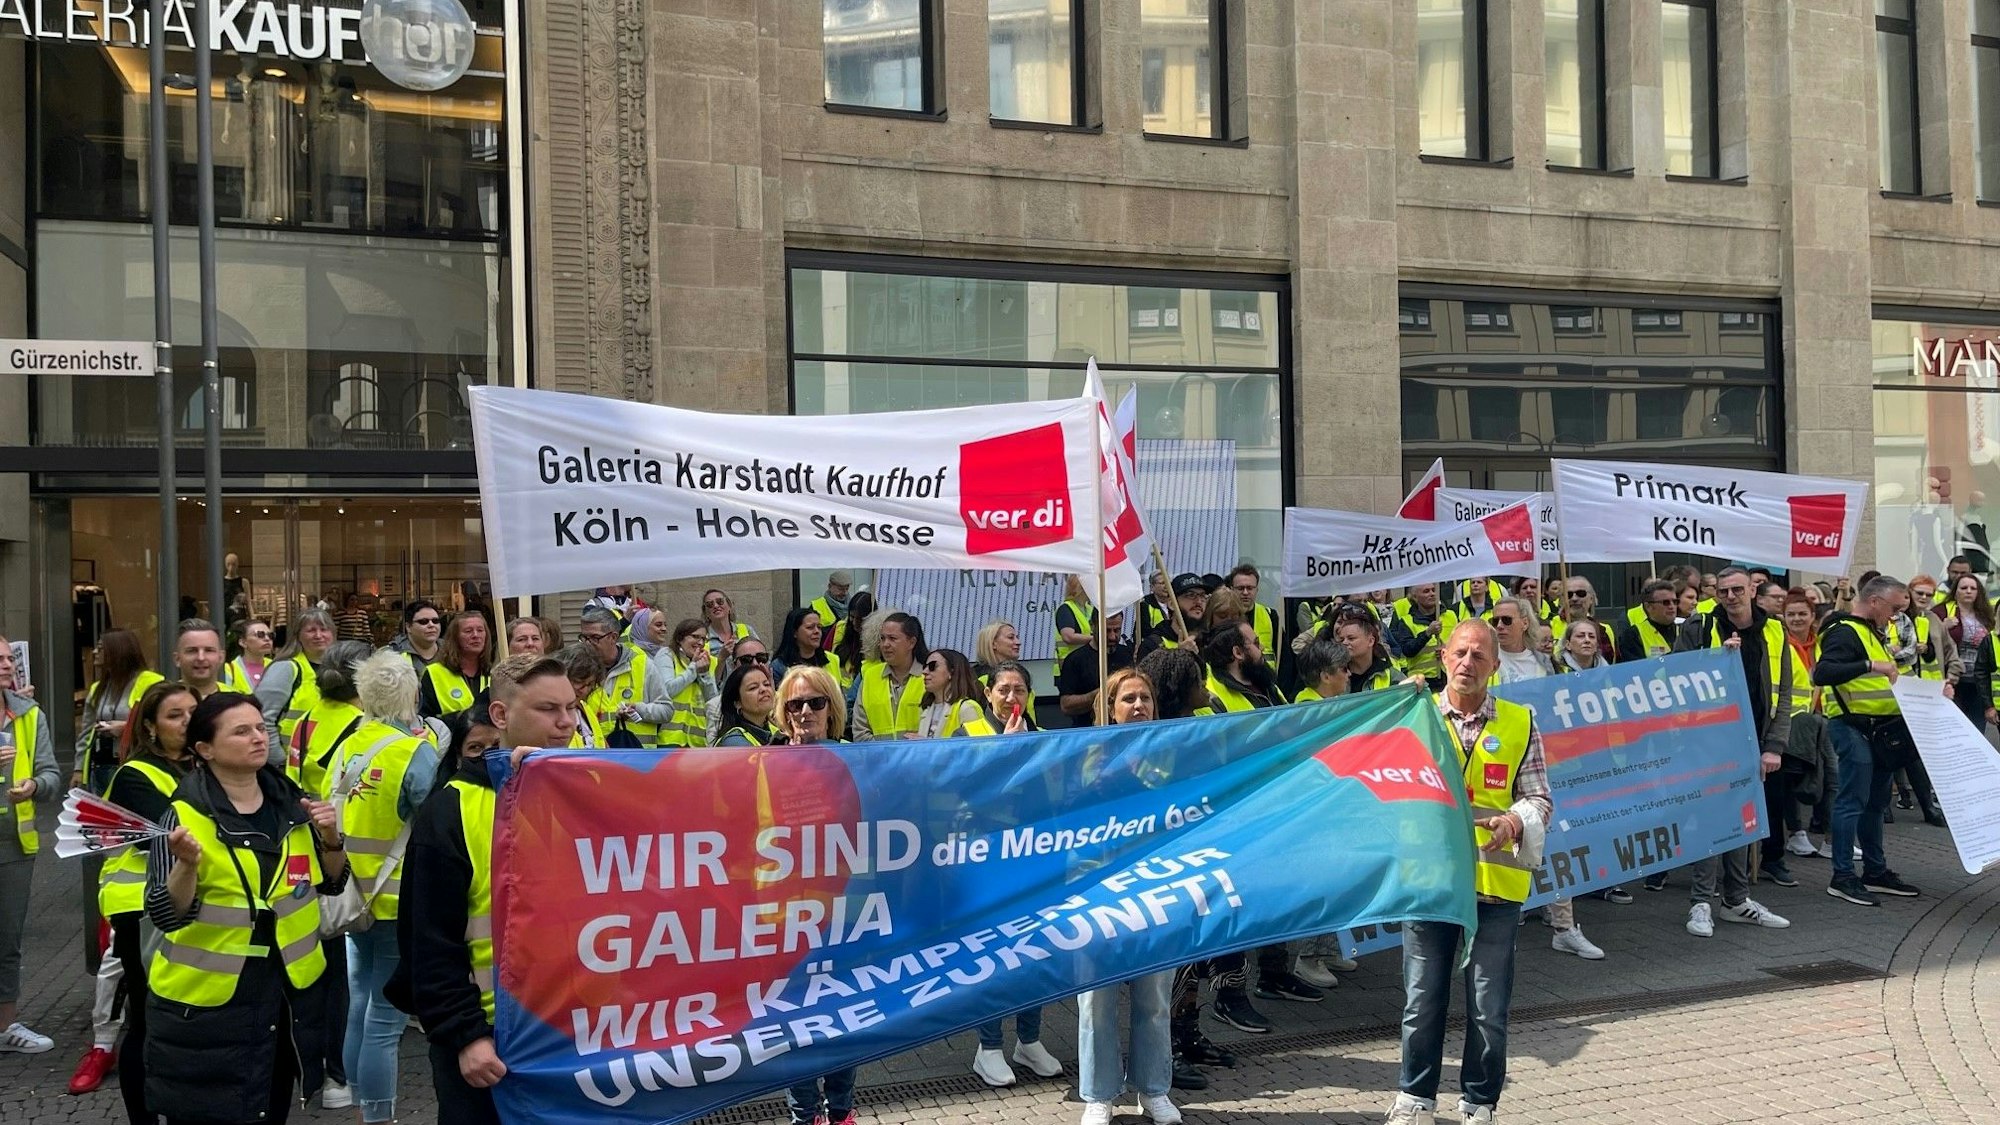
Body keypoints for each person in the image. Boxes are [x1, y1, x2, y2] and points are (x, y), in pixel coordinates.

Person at [142, 692, 347, 1123]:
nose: (258, 738)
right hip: (206, 1009)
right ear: (205, 749)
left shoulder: (293, 804)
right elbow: (166, 913)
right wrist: (187, 866)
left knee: (268, 1109)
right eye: (241, 731)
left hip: (285, 997)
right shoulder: (182, 816)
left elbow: (332, 881)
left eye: (259, 728)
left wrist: (331, 839)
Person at [1385, 619, 1549, 1125]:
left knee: (1488, 1007)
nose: (1467, 663)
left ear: (1495, 666)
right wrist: (1395, 702)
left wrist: (1515, 821)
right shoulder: (1415, 716)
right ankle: (1415, 1101)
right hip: (1431, 885)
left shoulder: (1521, 720)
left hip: (1495, 889)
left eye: (1479, 655)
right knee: (1422, 1001)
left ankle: (1480, 1105)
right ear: (1442, 658)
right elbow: (1387, 787)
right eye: (1460, 653)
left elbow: (1540, 798)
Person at [404, 655, 576, 1125]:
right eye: (548, 710)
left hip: (574, 1031)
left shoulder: (587, 793)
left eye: (572, 707)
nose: (565, 723)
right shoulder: (450, 811)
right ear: (500, 717)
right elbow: (428, 945)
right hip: (491, 1041)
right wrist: (466, 1036)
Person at [332, 650, 444, 1125]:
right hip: (397, 896)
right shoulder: (413, 751)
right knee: (387, 1018)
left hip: (353, 893)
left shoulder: (350, 743)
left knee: (361, 1000)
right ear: (412, 695)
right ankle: (378, 1116)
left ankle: (357, 1097)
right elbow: (436, 817)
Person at [1659, 567, 1799, 922]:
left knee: (1743, 817)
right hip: (1706, 738)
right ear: (1716, 594)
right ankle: (1702, 901)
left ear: (1752, 591)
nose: (1731, 597)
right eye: (1724, 591)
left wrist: (1775, 746)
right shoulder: (1700, 627)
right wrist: (1716, 660)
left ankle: (1736, 899)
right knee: (1712, 817)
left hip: (1753, 738)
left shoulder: (1775, 629)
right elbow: (1676, 678)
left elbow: (1783, 694)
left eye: (1738, 590)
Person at [1075, 667, 1182, 1125]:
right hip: (1097, 893)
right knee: (1096, 999)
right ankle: (1099, 1094)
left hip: (1156, 889)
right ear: (1110, 709)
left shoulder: (1173, 753)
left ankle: (1153, 1089)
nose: (1138, 705)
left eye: (1145, 698)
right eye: (1127, 699)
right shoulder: (1082, 755)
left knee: (1154, 996)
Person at [82, 681, 194, 1109]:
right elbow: (166, 838)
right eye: (174, 715)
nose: (186, 722)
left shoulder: (203, 764)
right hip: (139, 909)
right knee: (147, 1021)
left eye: (191, 713)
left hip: (185, 905)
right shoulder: (136, 774)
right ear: (150, 727)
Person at [959, 660, 1062, 1088]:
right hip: (985, 864)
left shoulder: (1038, 738)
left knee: (1034, 951)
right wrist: (1005, 754)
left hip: (1032, 861)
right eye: (1004, 689)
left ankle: (1029, 1038)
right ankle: (988, 1047)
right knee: (995, 957)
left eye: (1019, 690)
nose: (1011, 698)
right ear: (988, 693)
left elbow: (1053, 796)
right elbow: (962, 794)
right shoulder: (968, 735)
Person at [770, 665, 860, 1124]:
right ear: (783, 714)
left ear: (831, 709)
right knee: (793, 1019)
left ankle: (841, 1110)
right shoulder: (761, 764)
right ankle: (806, 1115)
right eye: (794, 704)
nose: (805, 711)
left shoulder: (859, 760)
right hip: (783, 913)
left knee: (843, 1015)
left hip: (845, 909)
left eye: (815, 702)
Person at [1491, 597, 1601, 958]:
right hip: (1501, 761)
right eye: (1494, 620)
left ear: (1525, 622)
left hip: (1541, 761)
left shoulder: (1545, 663)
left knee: (1555, 841)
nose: (1499, 626)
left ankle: (1564, 927)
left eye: (1507, 620)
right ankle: (1504, 926)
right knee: (1504, 841)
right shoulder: (1489, 661)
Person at [1816, 575, 1926, 906]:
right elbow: (1821, 673)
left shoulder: (1869, 633)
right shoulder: (1846, 632)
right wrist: (1869, 663)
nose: (1893, 616)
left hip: (1878, 729)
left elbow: (1889, 680)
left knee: (1876, 803)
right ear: (1874, 601)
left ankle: (1875, 872)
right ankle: (1843, 876)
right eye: (1893, 608)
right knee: (1853, 800)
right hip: (1852, 726)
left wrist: (1933, 692)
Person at [0, 636, 56, 1057]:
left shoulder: (28, 714)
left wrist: (35, 785)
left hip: (13, 845)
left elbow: (51, 773)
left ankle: (5, 1026)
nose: (7, 664)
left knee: (7, 939)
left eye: (8, 657)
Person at [75, 628, 163, 794]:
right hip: (99, 768)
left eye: (101, 648)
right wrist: (79, 769)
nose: (94, 652)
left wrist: (125, 729)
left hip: (133, 766)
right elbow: (86, 734)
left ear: (118, 651)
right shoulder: (97, 688)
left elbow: (161, 725)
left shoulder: (151, 683)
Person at [577, 606, 675, 747]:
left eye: (594, 638)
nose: (587, 643)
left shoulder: (641, 664)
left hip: (636, 757)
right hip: (595, 758)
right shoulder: (579, 669)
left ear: (613, 637)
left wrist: (639, 709)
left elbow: (666, 710)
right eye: (583, 638)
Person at [256, 607, 337, 768]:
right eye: (311, 630)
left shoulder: (340, 670)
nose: (318, 635)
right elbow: (262, 720)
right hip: (291, 771)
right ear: (298, 636)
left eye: (324, 629)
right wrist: (279, 762)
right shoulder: (286, 668)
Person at [853, 612, 926, 741]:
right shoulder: (870, 676)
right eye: (882, 638)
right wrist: (886, 755)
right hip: (878, 759)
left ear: (912, 642)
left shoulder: (928, 677)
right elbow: (860, 730)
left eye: (892, 638)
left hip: (919, 758)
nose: (885, 644)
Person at [1057, 609, 1136, 723]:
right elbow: (1066, 705)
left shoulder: (1127, 654)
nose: (1112, 637)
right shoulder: (1075, 660)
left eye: (1117, 630)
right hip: (1088, 730)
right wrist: (1099, 695)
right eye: (1106, 631)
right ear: (1092, 626)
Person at [421, 612, 493, 722]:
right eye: (468, 631)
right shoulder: (434, 673)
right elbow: (423, 720)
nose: (475, 635)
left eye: (480, 630)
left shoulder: (494, 673)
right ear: (455, 638)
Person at [1945, 572, 1994, 730]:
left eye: (1973, 588)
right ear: (1955, 591)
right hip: (1954, 680)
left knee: (1977, 728)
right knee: (1955, 727)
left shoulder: (1986, 616)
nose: (1968, 591)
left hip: (1979, 681)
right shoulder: (1945, 612)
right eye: (1964, 587)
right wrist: (1943, 626)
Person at [660, 619, 719, 747]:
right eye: (695, 637)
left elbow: (713, 702)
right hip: (670, 739)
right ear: (680, 638)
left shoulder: (709, 661)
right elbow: (667, 690)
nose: (700, 643)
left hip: (699, 742)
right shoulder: (667, 655)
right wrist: (693, 669)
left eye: (704, 639)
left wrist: (704, 674)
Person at [1387, 583, 1454, 689]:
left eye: (1433, 590)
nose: (1432, 594)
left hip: (1449, 677)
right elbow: (1408, 650)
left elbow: (1460, 642)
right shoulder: (1407, 621)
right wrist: (1427, 633)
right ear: (1415, 597)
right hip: (1420, 682)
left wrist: (1447, 650)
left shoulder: (1451, 615)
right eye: (1426, 591)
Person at [917, 649, 984, 739]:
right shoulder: (926, 709)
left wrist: (926, 744)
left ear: (952, 672)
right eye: (925, 666)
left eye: (932, 666)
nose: (924, 672)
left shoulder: (968, 708)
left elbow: (978, 748)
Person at [1229, 565, 1283, 670]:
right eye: (1240, 588)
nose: (1245, 592)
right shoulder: (1223, 616)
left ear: (1257, 590)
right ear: (1231, 589)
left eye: (1250, 588)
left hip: (1265, 681)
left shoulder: (1270, 615)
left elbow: (1284, 657)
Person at [554, 643, 608, 748]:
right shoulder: (550, 713)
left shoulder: (586, 709)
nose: (585, 690)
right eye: (579, 682)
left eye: (589, 684)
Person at [715, 663, 782, 747]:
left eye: (766, 684)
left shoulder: (776, 730)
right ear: (737, 703)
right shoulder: (733, 740)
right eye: (753, 688)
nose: (763, 689)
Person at [771, 606, 839, 684]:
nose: (817, 631)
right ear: (794, 632)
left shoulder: (832, 660)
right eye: (810, 627)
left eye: (819, 627)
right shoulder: (779, 666)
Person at [1616, 579, 1679, 661]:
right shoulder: (1633, 635)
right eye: (1666, 602)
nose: (1672, 606)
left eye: (1675, 602)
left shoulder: (1684, 630)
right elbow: (1636, 669)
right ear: (1649, 607)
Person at [832, 591, 876, 685]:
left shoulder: (878, 636)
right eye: (852, 616)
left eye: (861, 619)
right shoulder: (841, 627)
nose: (855, 622)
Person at [1053, 574, 1099, 664]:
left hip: (1086, 661)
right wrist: (1095, 639)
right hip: (1067, 663)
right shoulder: (1065, 609)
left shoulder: (1090, 609)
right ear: (1081, 588)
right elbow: (1068, 637)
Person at [700, 589, 757, 661]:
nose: (715, 606)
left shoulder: (747, 630)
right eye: (709, 604)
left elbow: (761, 656)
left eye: (720, 601)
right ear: (706, 613)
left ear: (729, 606)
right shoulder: (702, 637)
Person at [1292, 635, 1353, 701]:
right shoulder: (1312, 708)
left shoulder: (1324, 701)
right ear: (1326, 677)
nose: (1349, 673)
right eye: (1345, 669)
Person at [222, 618, 275, 694]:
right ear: (243, 642)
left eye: (271, 635)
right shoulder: (229, 670)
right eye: (260, 635)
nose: (267, 639)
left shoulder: (276, 666)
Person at [808, 571, 854, 652]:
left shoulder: (853, 605)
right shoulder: (816, 606)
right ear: (829, 586)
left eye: (846, 589)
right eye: (840, 589)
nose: (844, 593)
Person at [391, 601, 444, 668]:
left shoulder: (452, 650)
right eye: (423, 621)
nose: (431, 625)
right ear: (408, 627)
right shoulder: (392, 655)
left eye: (435, 621)